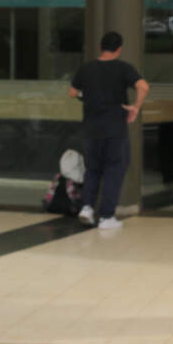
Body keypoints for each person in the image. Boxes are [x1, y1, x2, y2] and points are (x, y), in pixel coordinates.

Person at [69, 31, 148, 229]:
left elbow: (72, 92)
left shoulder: (86, 69)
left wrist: (85, 96)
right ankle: (106, 216)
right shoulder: (123, 68)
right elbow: (143, 86)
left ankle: (87, 208)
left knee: (93, 168)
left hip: (90, 127)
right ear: (119, 49)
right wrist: (136, 107)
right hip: (114, 127)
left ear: (100, 47)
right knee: (114, 168)